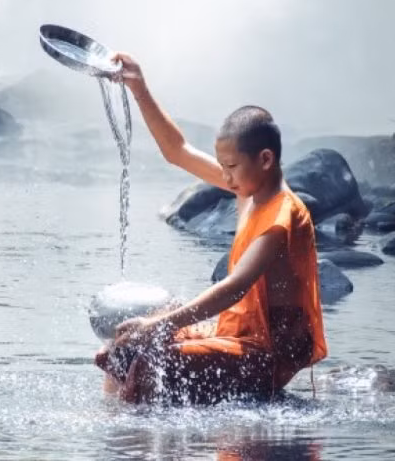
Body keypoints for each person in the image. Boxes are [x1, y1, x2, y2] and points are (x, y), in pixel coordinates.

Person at [94, 52, 326, 405]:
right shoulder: (247, 187)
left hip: (264, 354)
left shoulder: (282, 214)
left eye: (231, 167)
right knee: (120, 347)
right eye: (222, 166)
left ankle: (132, 439)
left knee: (147, 362)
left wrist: (160, 326)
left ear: (266, 160)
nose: (225, 177)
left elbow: (233, 288)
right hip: (231, 331)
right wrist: (138, 86)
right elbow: (178, 151)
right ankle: (114, 430)